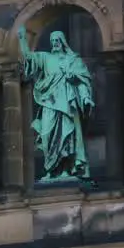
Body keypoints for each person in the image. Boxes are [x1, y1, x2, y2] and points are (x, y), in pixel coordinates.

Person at [17, 26, 94, 181]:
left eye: (57, 41)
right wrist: (22, 39)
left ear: (63, 42)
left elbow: (83, 82)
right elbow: (28, 57)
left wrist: (86, 97)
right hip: (49, 102)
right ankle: (51, 171)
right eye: (52, 41)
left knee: (67, 137)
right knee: (46, 134)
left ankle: (66, 170)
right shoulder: (45, 58)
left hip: (67, 104)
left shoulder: (73, 60)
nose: (54, 43)